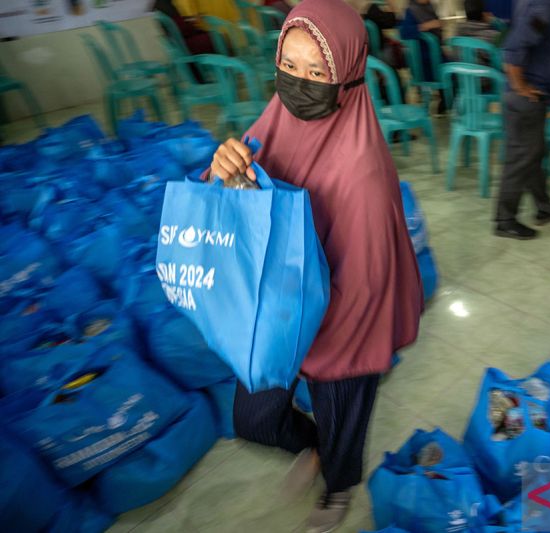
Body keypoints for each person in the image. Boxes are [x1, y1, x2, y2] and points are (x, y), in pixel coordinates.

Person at [207, 0, 424, 531]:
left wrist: (305, 346)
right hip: (282, 313)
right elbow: (236, 204)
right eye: (289, 65)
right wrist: (223, 172)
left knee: (343, 410)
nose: (298, 83)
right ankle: (315, 448)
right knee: (254, 420)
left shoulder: (363, 173)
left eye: (316, 72)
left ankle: (339, 485)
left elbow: (362, 290)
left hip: (342, 325)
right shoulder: (275, 121)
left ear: (347, 76)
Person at [493, 0, 550, 239]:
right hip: (526, 97)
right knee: (521, 156)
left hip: (533, 94)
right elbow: (515, 46)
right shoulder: (544, 4)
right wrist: (520, 85)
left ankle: (544, 206)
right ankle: (505, 219)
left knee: (534, 152)